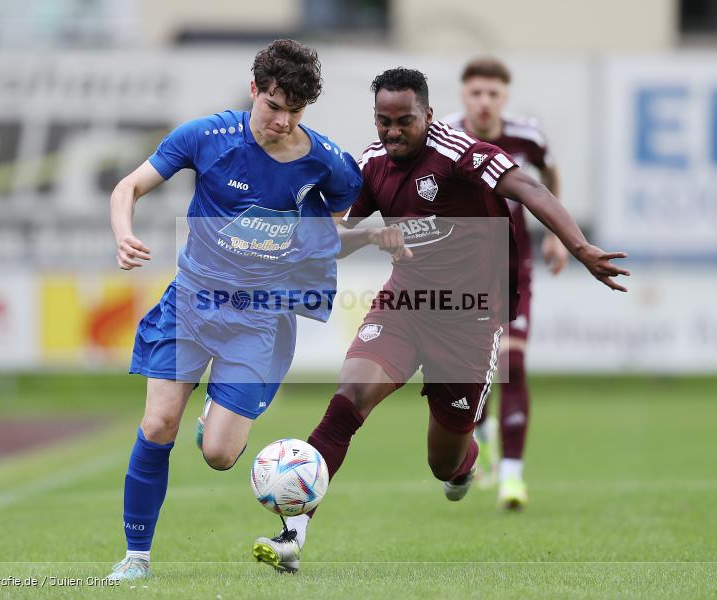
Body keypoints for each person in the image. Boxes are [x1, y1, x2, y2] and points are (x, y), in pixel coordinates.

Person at [252, 67, 629, 572]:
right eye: (383, 121)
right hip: (404, 307)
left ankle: (465, 463)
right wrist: (367, 236)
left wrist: (578, 246)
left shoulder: (460, 153)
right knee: (347, 401)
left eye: (403, 121)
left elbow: (529, 190)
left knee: (443, 462)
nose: (392, 132)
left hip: (471, 323)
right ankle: (292, 537)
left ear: (427, 115)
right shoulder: (369, 165)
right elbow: (329, 239)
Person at [106, 39, 362, 581]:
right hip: (191, 304)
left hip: (260, 318)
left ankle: (214, 422)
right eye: (273, 106)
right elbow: (129, 186)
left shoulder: (328, 162)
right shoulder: (205, 137)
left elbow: (337, 227)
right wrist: (124, 235)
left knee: (221, 455)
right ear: (254, 90)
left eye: (295, 112)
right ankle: (136, 558)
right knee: (157, 424)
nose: (282, 121)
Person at [443, 57, 567, 507]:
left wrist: (555, 235)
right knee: (469, 373)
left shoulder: (526, 137)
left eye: (493, 93)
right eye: (476, 92)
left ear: (504, 97)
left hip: (513, 271)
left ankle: (513, 477)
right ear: (463, 94)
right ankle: (484, 434)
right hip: (458, 275)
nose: (484, 101)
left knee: (513, 364)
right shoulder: (446, 139)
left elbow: (549, 175)